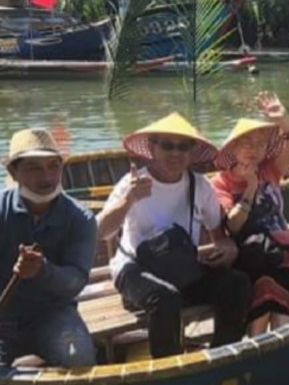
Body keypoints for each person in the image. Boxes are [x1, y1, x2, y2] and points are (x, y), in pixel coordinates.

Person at [97, 112, 251, 359]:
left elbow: (219, 236)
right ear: (152, 148)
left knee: (237, 283)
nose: (175, 154)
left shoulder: (200, 185)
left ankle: (221, 356)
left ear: (191, 153)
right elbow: (102, 231)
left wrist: (227, 248)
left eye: (183, 147)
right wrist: (128, 201)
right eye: (167, 145)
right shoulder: (132, 183)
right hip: (135, 269)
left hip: (181, 268)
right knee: (165, 298)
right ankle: (169, 370)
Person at [0, 128, 97, 367]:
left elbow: (76, 280)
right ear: (14, 172)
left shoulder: (80, 218)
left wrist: (42, 270)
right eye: (34, 168)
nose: (46, 177)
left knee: (80, 360)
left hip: (53, 314)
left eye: (53, 166)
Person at [213, 92, 289, 336]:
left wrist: (283, 121)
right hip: (249, 255)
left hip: (281, 251)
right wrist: (251, 187)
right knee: (266, 278)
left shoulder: (271, 169)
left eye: (260, 144)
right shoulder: (221, 183)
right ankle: (267, 342)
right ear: (233, 147)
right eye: (246, 143)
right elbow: (232, 227)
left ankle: (275, 342)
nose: (253, 150)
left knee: (278, 271)